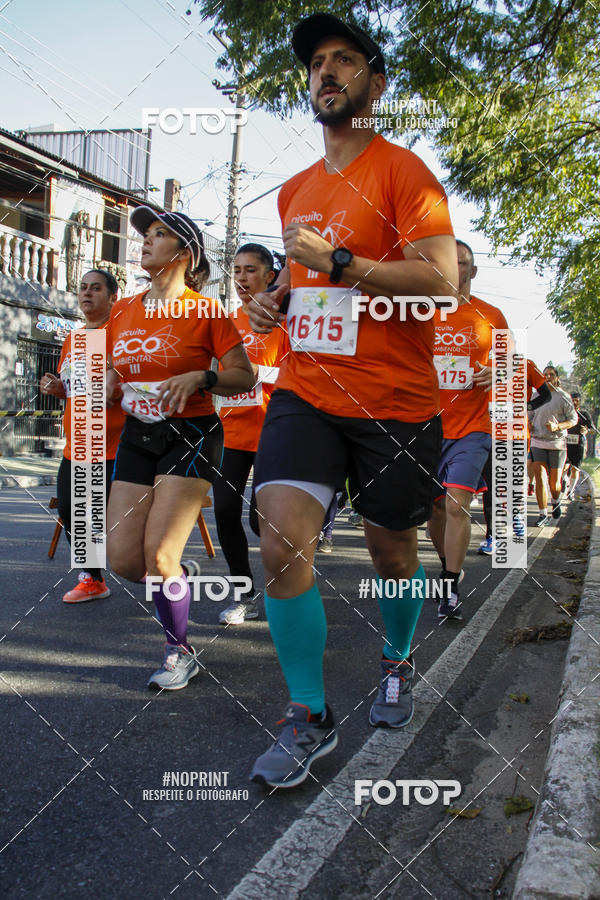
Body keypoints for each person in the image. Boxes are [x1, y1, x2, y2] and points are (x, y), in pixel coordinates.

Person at [245, 13, 457, 788]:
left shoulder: (406, 174)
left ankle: (397, 657)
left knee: (392, 550)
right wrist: (274, 299)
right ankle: (309, 713)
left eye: (343, 60)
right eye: (316, 64)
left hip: (397, 402)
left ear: (376, 81)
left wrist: (339, 259)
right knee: (279, 539)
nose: (325, 72)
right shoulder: (297, 190)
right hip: (309, 391)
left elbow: (440, 277)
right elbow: (300, 283)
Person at [106, 207, 254, 690]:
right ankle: (174, 574)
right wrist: (104, 385)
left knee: (160, 558)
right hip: (138, 433)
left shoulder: (206, 311)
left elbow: (244, 376)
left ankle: (178, 650)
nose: (147, 241)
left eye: (160, 234)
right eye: (146, 234)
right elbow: (113, 368)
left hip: (191, 434)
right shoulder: (124, 309)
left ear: (185, 254)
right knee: (125, 560)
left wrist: (203, 375)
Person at [427, 240, 508, 619]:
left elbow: (514, 368)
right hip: (425, 426)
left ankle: (451, 584)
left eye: (462, 263)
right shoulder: (420, 312)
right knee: (436, 510)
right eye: (448, 262)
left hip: (472, 427)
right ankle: (445, 567)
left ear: (472, 271)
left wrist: (496, 373)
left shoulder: (492, 315)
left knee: (458, 504)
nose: (454, 268)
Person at [40, 269, 125, 603]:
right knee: (72, 508)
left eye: (96, 288)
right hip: (77, 442)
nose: (87, 294)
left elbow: (126, 383)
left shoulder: (120, 334)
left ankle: (151, 567)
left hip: (113, 441)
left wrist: (112, 384)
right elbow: (73, 387)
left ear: (113, 297)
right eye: (83, 288)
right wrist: (59, 389)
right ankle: (93, 579)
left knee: (109, 518)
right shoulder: (74, 339)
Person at [213, 243, 285, 625]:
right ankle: (244, 595)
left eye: (250, 270)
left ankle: (288, 589)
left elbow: (303, 374)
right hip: (231, 432)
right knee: (225, 512)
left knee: (263, 522)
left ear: (270, 276)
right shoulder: (225, 322)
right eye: (236, 271)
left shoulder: (286, 322)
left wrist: (261, 374)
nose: (241, 278)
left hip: (276, 432)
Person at [479, 357, 550, 555]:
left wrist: (526, 407)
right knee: (491, 486)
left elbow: (545, 394)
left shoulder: (525, 365)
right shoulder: (486, 364)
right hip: (490, 433)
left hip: (517, 435)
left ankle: (516, 513)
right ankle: (492, 536)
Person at [529, 365, 577, 525]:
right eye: (545, 375)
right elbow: (528, 415)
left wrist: (558, 427)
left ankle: (556, 500)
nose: (548, 377)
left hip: (557, 443)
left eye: (551, 374)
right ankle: (543, 514)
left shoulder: (563, 397)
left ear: (557, 377)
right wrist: (527, 424)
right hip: (537, 441)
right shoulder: (536, 395)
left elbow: (573, 419)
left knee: (554, 484)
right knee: (540, 479)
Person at [563, 391, 592, 500]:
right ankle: (564, 479)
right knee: (563, 466)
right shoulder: (565, 413)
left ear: (580, 402)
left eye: (577, 401)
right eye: (572, 400)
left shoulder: (584, 414)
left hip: (578, 445)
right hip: (565, 444)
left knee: (575, 468)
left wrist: (586, 430)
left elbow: (591, 428)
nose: (574, 402)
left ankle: (570, 491)